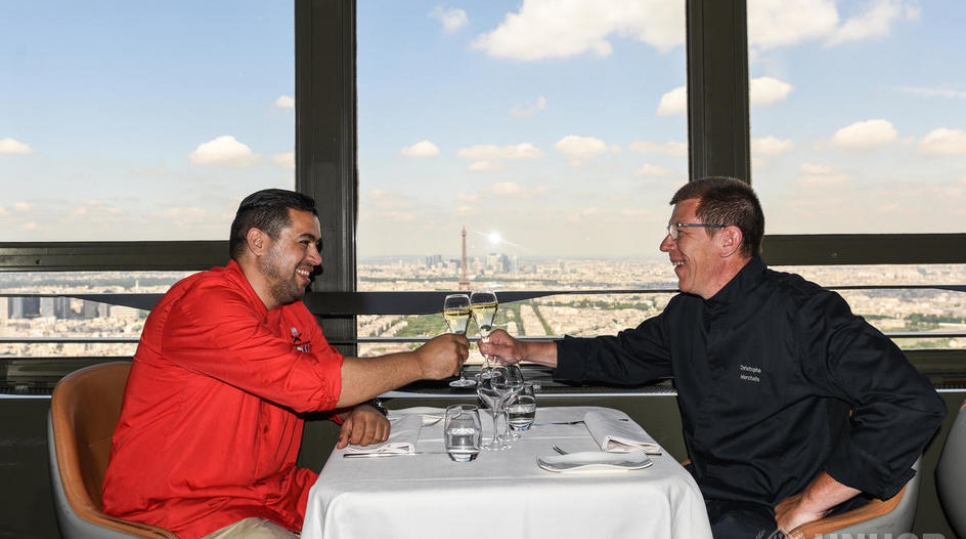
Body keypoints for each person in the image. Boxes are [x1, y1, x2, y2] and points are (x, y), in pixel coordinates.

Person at [479, 177, 945, 538]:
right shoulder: (687, 313)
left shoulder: (804, 314)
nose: (666, 245)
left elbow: (913, 404)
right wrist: (522, 350)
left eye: (678, 231)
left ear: (728, 239)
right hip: (703, 493)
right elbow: (620, 356)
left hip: (765, 511)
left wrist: (809, 503)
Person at [102, 189, 469, 539]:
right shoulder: (204, 304)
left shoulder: (291, 310)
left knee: (392, 517)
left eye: (317, 246)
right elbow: (311, 386)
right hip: (187, 512)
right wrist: (419, 362)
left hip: (274, 496)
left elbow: (329, 373)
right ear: (258, 242)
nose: (317, 258)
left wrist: (361, 405)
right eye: (304, 243)